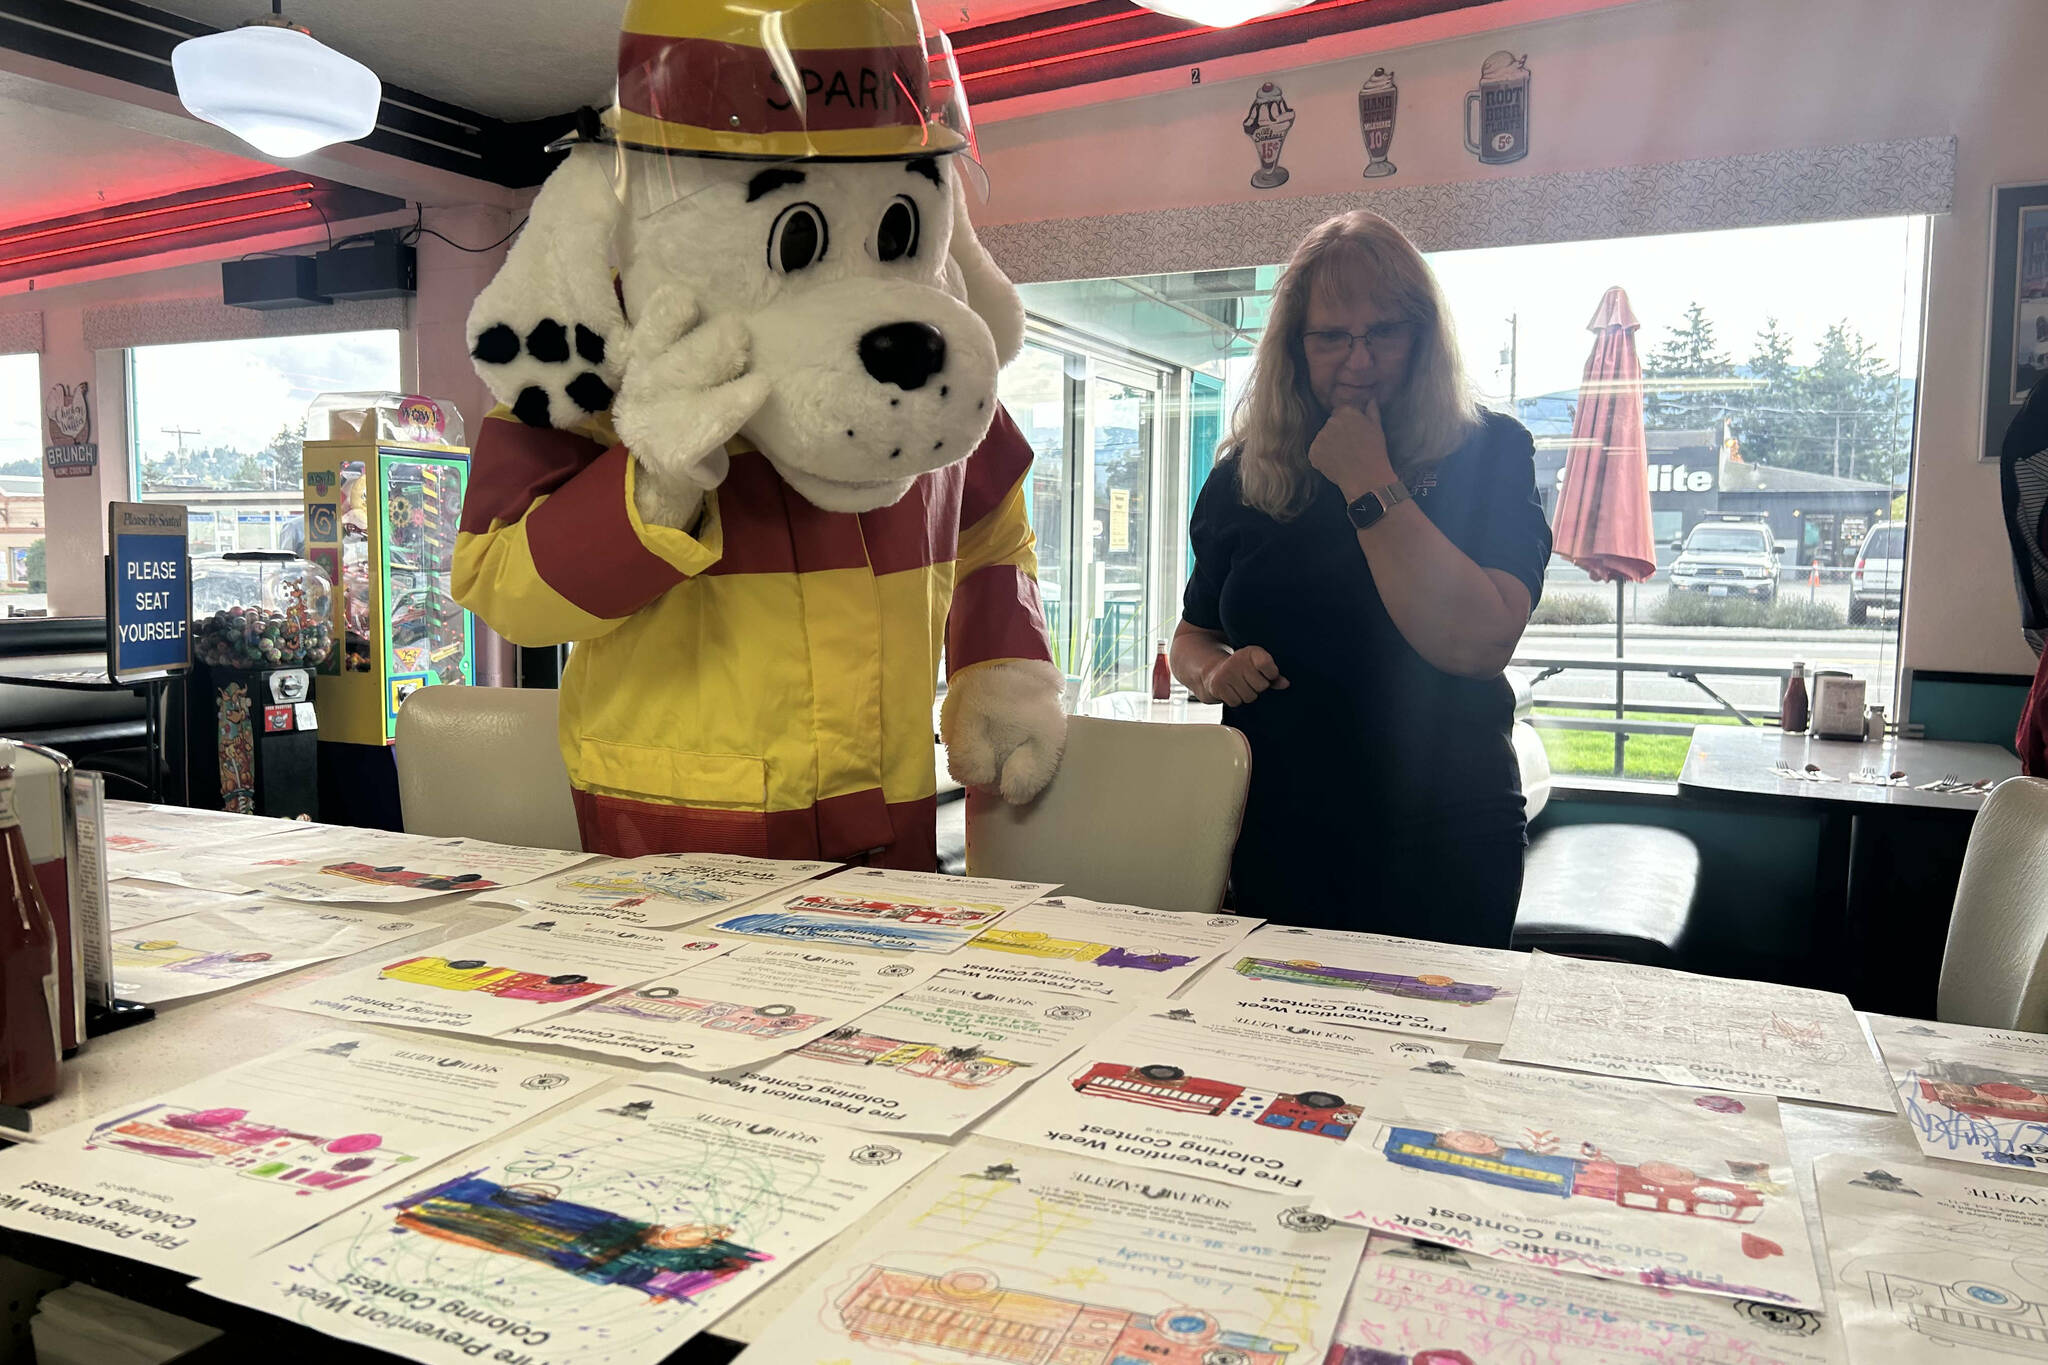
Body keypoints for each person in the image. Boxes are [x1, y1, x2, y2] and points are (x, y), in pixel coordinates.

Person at [1171, 210, 1550, 946]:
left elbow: (1478, 643)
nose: (1359, 358)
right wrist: (1215, 674)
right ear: (1294, 346)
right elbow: (1193, 634)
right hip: (1277, 828)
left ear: (1422, 336)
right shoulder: (1244, 475)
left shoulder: (1490, 452)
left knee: (1432, 1057)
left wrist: (1367, 479)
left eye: (1384, 331)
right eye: (1332, 336)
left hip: (1445, 836)